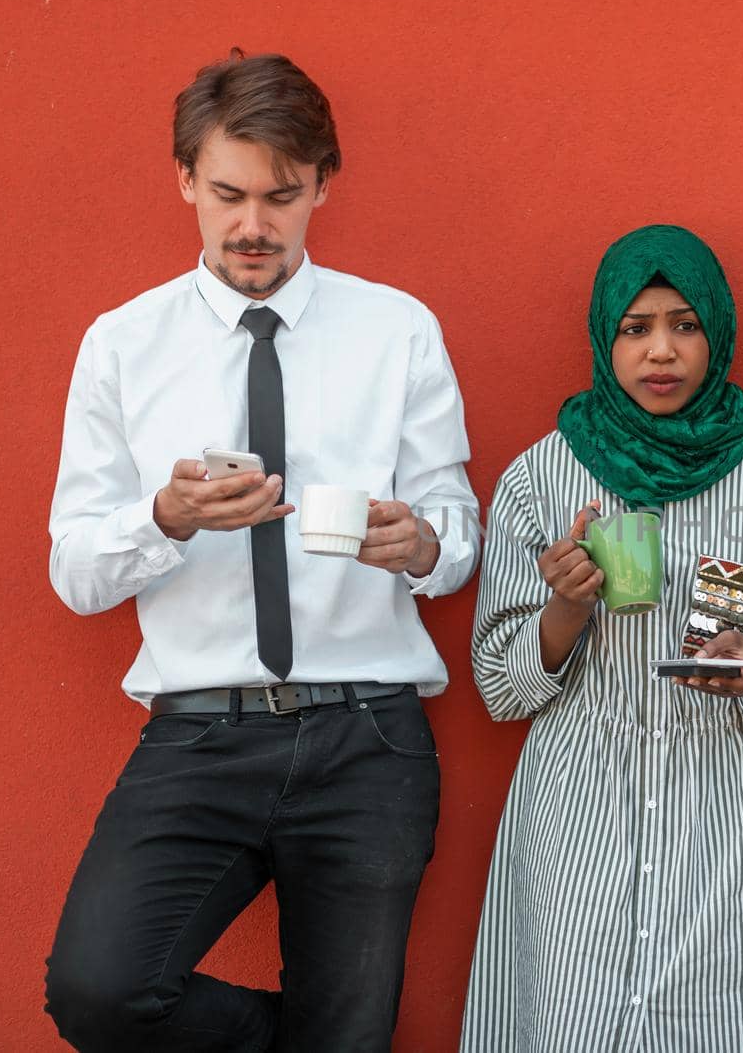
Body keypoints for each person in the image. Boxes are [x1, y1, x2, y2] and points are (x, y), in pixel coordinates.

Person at [42, 51, 479, 1052]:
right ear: (186, 179)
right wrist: (167, 517)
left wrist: (421, 544)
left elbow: (458, 531)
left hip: (367, 734)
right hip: (199, 734)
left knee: (351, 1029)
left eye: (281, 196)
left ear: (323, 182)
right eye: (229, 193)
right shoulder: (122, 343)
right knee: (100, 990)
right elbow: (73, 571)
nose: (253, 224)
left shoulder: (397, 330)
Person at [460, 224, 743, 1051]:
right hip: (579, 813)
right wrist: (565, 609)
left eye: (685, 323)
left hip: (729, 817)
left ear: (718, 330)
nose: (661, 351)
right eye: (635, 328)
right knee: (574, 1021)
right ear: (605, 339)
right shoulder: (542, 475)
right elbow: (499, 685)